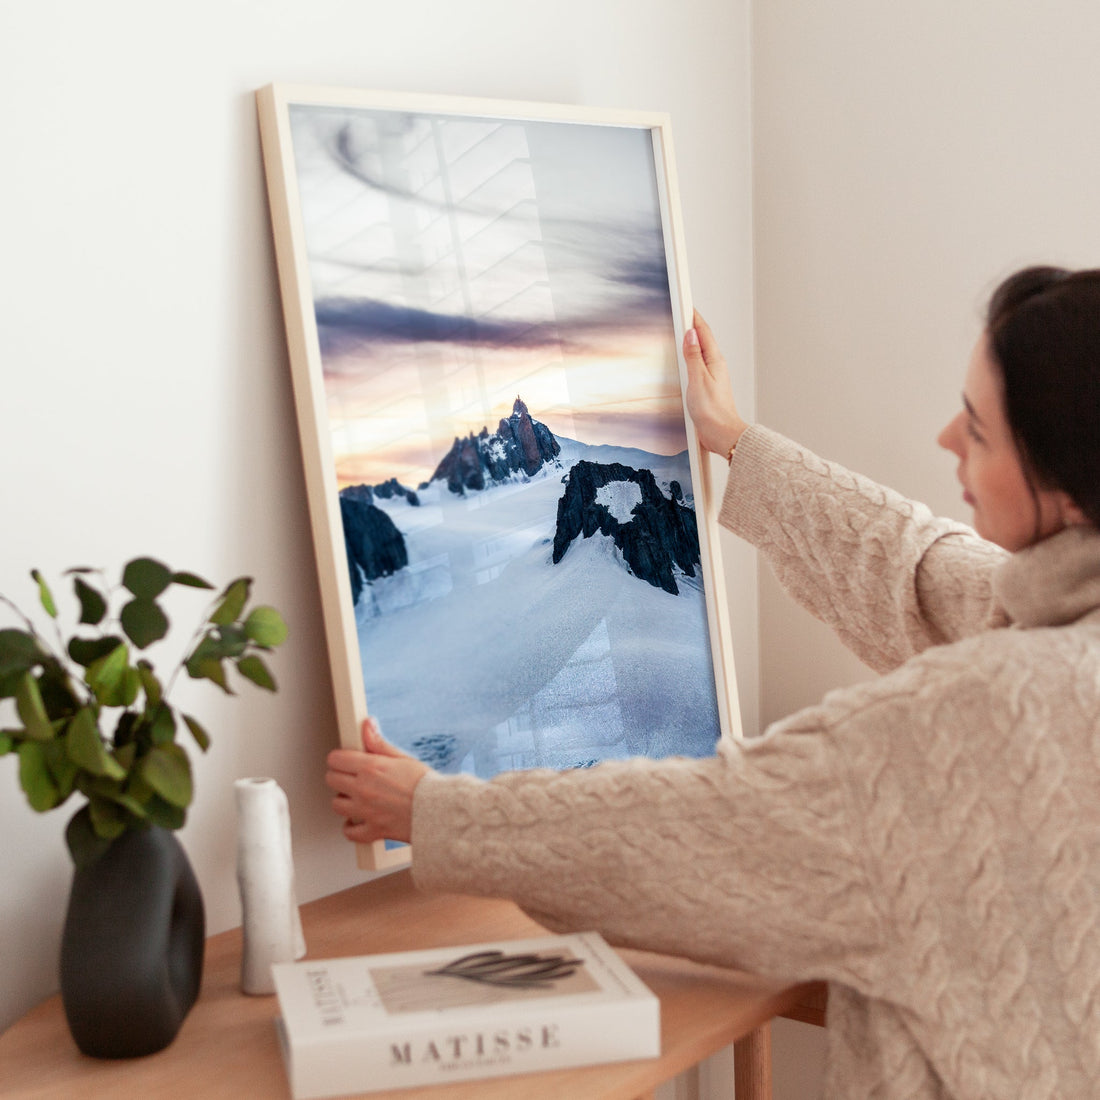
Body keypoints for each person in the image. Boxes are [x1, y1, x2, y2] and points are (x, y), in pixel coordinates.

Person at [325, 266, 1100, 1099]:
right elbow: (918, 569)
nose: (947, 437)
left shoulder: (978, 717)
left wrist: (434, 813)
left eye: (979, 431)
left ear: (1064, 487)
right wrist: (734, 440)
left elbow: (703, 827)